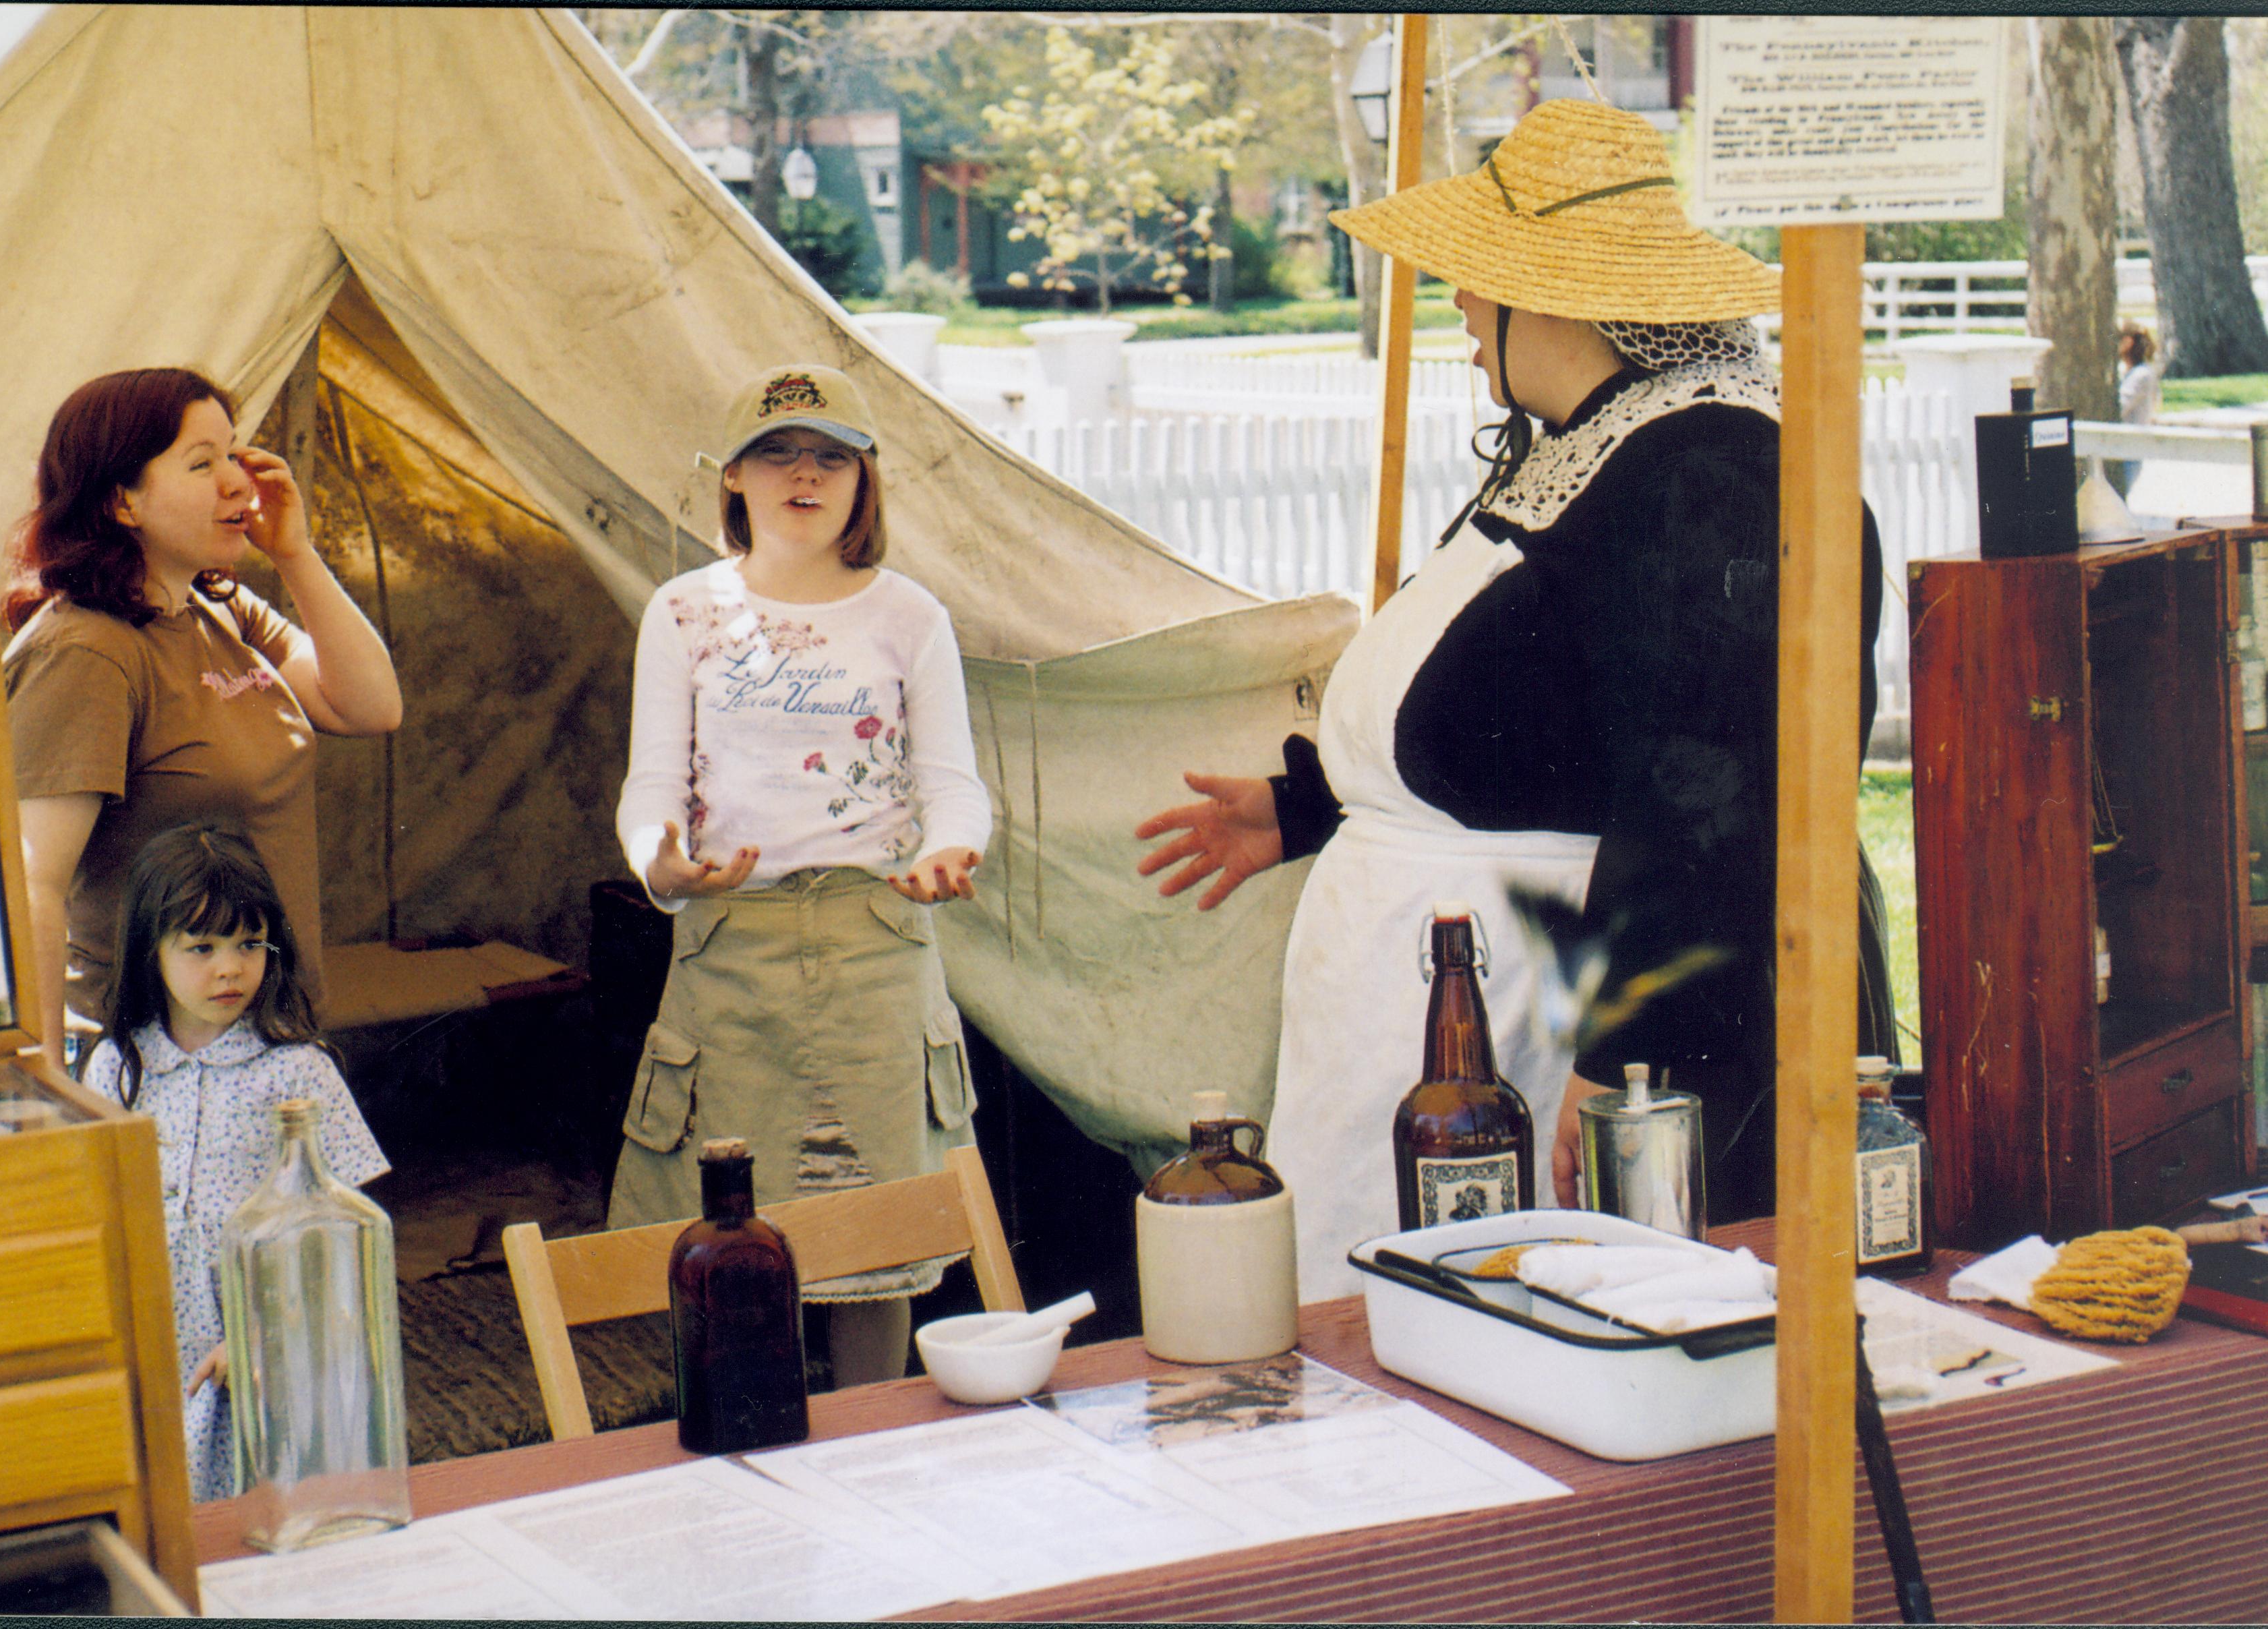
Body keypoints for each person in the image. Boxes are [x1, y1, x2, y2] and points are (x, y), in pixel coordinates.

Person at [1136, 100, 1885, 1300]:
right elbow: (1526, 716)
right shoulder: (1593, 442)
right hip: (1452, 993)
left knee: (1530, 1323)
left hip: (1554, 1015)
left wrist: (1625, 1054)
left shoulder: (1714, 471)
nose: (1460, 311)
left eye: (1476, 283)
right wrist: (1309, 806)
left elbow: (1718, 801)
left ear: (1555, 296)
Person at [610, 363, 993, 1386]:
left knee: (876, 1241)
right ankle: (748, 1453)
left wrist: (949, 853)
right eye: (777, 453)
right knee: (731, 1240)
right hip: (730, 948)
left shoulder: (911, 616)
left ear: (865, 483)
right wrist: (667, 868)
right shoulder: (683, 611)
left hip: (877, 947)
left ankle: (872, 1448)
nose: (804, 475)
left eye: (831, 456)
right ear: (732, 477)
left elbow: (953, 787)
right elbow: (650, 788)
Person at [1, 367, 402, 1083]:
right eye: (202, 463)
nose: (239, 483)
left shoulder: (219, 611)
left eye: (233, 454)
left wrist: (296, 554)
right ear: (123, 499)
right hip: (157, 1064)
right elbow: (33, 883)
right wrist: (48, 1087)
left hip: (268, 1042)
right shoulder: (87, 650)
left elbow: (370, 705)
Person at [76, 823, 388, 1502]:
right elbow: (90, 1219)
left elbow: (346, 1234)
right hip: (154, 1351)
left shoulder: (295, 1070)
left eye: (249, 944)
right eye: (202, 947)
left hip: (272, 1355)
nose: (229, 967)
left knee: (270, 1513)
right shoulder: (117, 1069)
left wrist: (263, 1331)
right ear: (149, 951)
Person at [2108, 324, 2163, 499]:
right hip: (2122, 447)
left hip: (2129, 448)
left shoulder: (2141, 376)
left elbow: (2121, 408)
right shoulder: (2134, 373)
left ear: (2128, 342)